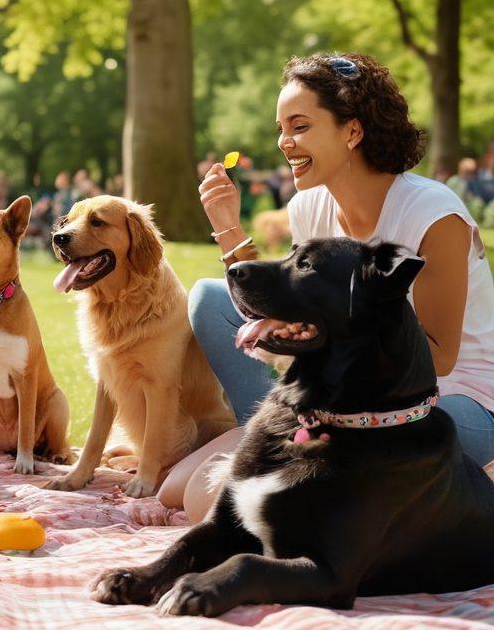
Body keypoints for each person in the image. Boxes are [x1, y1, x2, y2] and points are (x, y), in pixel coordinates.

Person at [161, 53, 494, 520]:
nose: (284, 142)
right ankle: (270, 430)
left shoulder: (432, 214)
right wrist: (228, 230)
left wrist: (327, 342)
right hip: (340, 398)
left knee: (206, 500)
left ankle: (291, 448)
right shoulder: (307, 207)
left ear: (352, 132)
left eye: (299, 126)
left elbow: (439, 355)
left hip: (449, 404)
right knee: (209, 300)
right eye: (281, 128)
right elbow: (292, 304)